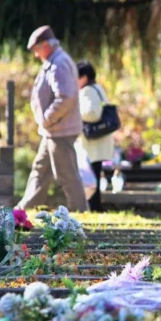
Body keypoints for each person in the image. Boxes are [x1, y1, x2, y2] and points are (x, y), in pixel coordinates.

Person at [16, 25, 88, 212]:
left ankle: (80, 211)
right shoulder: (54, 61)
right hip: (53, 130)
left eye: (37, 49)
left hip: (59, 130)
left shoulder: (59, 63)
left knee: (67, 174)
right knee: (41, 170)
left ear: (46, 45)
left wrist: (47, 119)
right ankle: (25, 208)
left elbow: (66, 96)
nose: (36, 54)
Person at [77, 60, 114, 212]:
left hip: (93, 142)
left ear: (84, 77)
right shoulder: (97, 88)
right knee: (95, 176)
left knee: (91, 178)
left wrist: (74, 114)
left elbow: (92, 113)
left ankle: (93, 208)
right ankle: (96, 207)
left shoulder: (88, 91)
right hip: (100, 140)